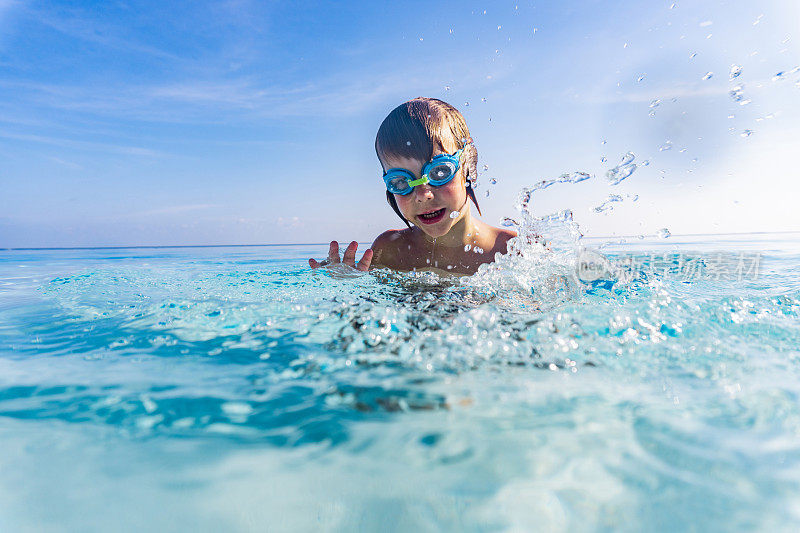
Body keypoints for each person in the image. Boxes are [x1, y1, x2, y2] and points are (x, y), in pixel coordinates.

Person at [309, 97, 516, 275]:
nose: (422, 194)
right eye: (401, 182)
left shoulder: (514, 251)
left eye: (439, 172)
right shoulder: (389, 251)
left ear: (467, 165)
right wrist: (346, 286)